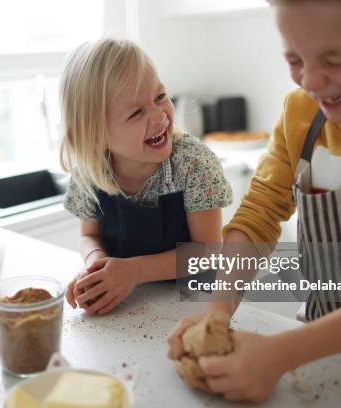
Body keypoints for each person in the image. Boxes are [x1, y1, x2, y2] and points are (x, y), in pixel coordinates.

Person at [168, 0, 341, 402]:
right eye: (294, 59)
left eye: (334, 60)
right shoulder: (301, 113)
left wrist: (280, 353)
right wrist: (217, 311)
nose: (309, 81)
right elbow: (260, 212)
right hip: (319, 351)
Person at [59, 37, 232, 315]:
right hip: (128, 306)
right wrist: (96, 266)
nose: (159, 116)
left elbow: (208, 251)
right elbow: (89, 236)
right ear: (95, 136)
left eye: (160, 97)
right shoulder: (89, 171)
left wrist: (134, 271)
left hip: (194, 304)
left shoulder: (193, 163)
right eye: (136, 113)